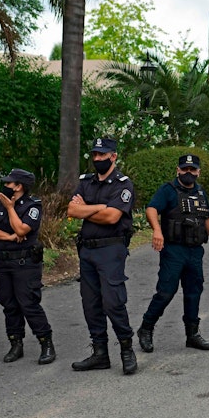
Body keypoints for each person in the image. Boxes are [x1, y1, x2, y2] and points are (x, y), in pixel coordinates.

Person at [137, 153, 209, 354]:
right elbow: (151, 209)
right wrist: (157, 230)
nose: (188, 173)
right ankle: (146, 328)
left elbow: (208, 218)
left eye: (192, 170)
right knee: (166, 292)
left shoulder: (200, 193)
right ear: (178, 170)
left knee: (194, 292)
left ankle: (192, 335)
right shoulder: (168, 190)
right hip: (174, 250)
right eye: (184, 169)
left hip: (195, 251)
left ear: (198, 172)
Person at [69, 136, 138, 375]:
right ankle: (100, 353)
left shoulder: (123, 184)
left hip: (111, 249)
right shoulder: (85, 182)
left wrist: (86, 209)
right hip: (87, 249)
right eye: (95, 155)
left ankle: (127, 349)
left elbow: (112, 218)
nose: (97, 159)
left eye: (102, 155)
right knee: (91, 303)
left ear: (113, 156)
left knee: (113, 301)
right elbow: (71, 210)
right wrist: (100, 207)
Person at [0, 168, 55, 365]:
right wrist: (8, 236)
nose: (5, 186)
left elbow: (22, 229)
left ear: (19, 187)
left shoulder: (32, 206)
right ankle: (16, 343)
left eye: (9, 183)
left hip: (24, 263)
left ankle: (46, 343)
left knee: (28, 303)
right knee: (9, 304)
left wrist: (10, 209)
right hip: (2, 261)